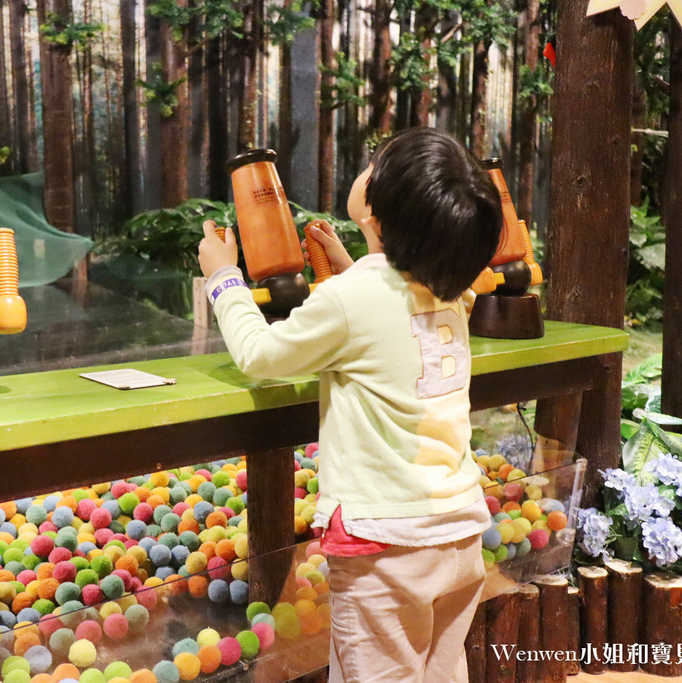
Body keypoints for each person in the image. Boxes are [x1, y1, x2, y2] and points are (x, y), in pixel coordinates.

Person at [197, 127, 503, 682]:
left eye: (375, 165)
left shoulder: (350, 299)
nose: (366, 169)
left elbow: (261, 352)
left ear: (378, 218)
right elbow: (391, 315)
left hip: (389, 544)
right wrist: (354, 264)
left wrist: (223, 277)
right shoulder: (453, 289)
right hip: (457, 533)